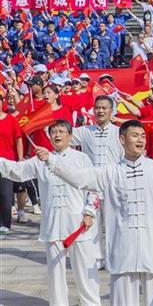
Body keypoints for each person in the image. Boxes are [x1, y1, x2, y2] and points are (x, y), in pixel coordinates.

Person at [44, 120, 153, 306]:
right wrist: (52, 162)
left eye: (143, 136)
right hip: (122, 247)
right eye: (135, 135)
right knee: (122, 300)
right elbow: (80, 178)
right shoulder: (110, 172)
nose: (140, 140)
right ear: (122, 139)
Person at [0, 120, 101, 306]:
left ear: (70, 136)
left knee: (86, 271)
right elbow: (16, 171)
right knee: (55, 273)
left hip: (78, 224)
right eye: (54, 132)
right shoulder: (40, 159)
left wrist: (89, 212)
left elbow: (94, 188)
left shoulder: (82, 159)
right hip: (53, 224)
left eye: (62, 131)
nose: (57, 135)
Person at [71, 95, 124, 267]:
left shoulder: (119, 133)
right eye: (98, 108)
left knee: (113, 224)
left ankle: (113, 257)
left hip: (112, 185)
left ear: (111, 111)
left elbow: (125, 157)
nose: (100, 111)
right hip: (92, 186)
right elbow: (64, 135)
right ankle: (97, 258)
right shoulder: (86, 131)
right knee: (92, 223)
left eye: (104, 108)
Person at [0, 95, 23, 234]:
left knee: (5, 193)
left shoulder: (10, 119)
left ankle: (5, 223)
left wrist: (20, 158)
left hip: (7, 162)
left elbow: (18, 139)